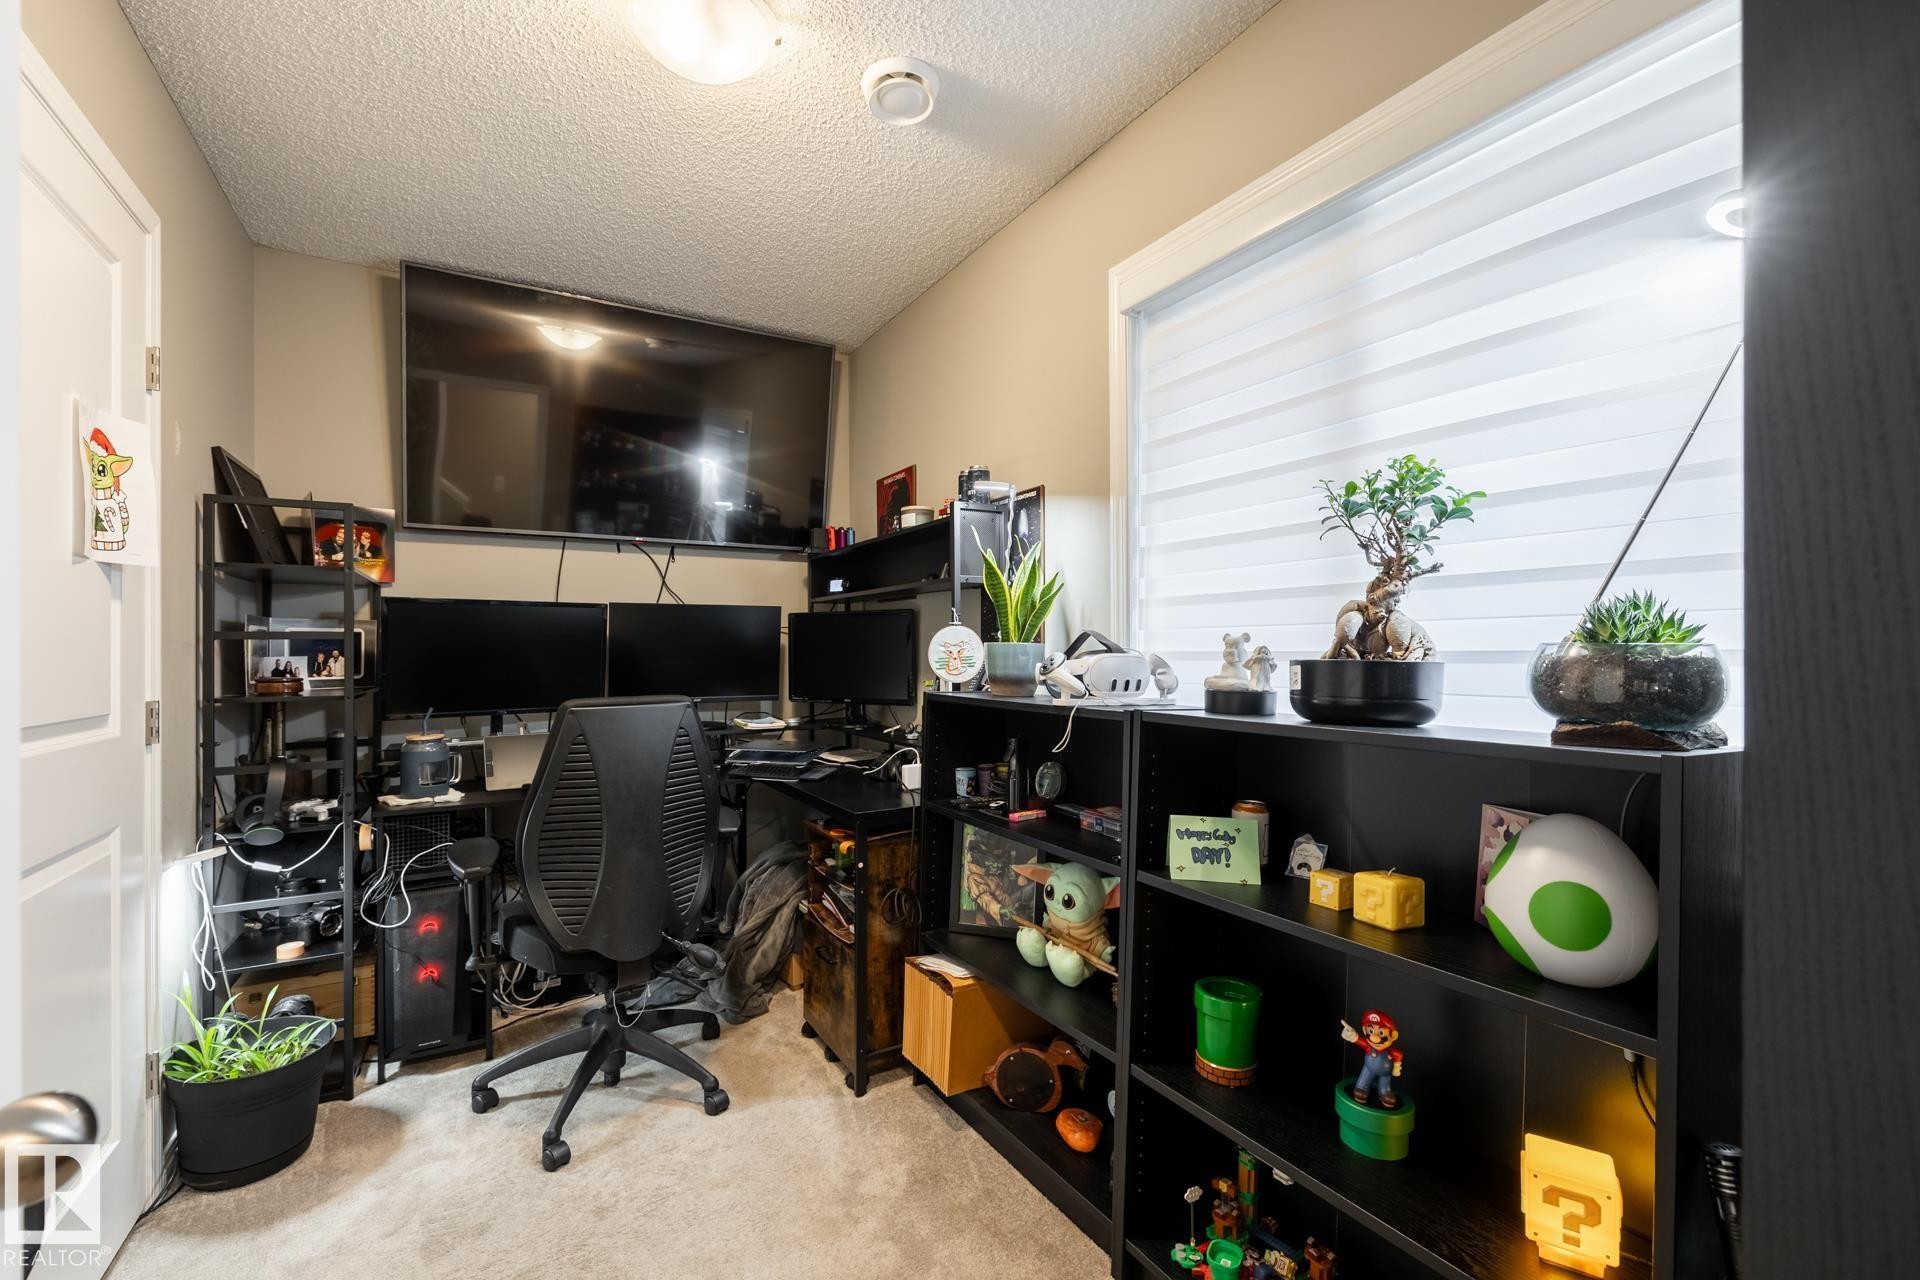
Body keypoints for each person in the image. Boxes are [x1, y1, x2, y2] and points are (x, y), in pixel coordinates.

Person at [1340, 1009, 1404, 1109]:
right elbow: (1358, 1040)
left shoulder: (1390, 1051)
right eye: (1370, 1031)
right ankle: (1362, 1087)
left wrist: (1396, 1067)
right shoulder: (1369, 1047)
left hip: (1386, 1073)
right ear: (1364, 1030)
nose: (1374, 1037)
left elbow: (1399, 1055)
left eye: (1381, 1033)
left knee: (1385, 1086)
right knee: (1363, 1081)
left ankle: (1384, 1092)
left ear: (1393, 1035)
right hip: (1368, 1069)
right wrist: (1352, 1035)